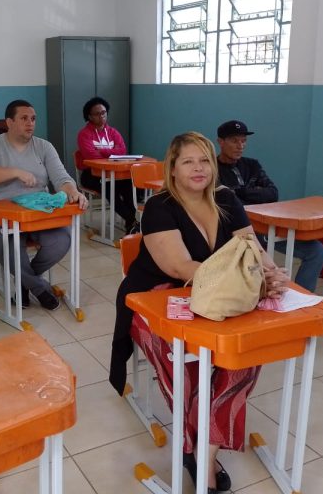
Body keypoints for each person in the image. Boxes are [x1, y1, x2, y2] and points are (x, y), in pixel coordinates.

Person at [110, 132, 289, 493]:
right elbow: (181, 267)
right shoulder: (159, 205)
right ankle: (200, 455)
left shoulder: (227, 198)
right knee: (186, 364)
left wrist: (271, 274)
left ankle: (202, 452)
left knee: (244, 355)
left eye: (205, 160)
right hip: (154, 297)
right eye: (188, 161)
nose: (198, 168)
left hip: (224, 297)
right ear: (173, 169)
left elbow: (252, 248)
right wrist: (249, 284)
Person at [0, 99, 88, 310]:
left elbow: (61, 178)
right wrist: (15, 172)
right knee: (8, 244)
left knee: (62, 239)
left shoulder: (44, 146)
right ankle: (40, 288)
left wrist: (73, 191)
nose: (30, 123)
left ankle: (25, 283)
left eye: (33, 118)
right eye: (24, 118)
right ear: (9, 122)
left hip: (37, 212)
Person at [216, 120, 323, 292]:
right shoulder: (212, 169)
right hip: (237, 232)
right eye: (234, 141)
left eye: (244, 141)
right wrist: (253, 193)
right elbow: (226, 203)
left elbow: (272, 193)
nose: (240, 146)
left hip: (266, 227)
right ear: (221, 142)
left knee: (317, 251)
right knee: (255, 263)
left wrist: (240, 191)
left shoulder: (252, 165)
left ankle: (302, 296)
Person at [76, 96, 138, 233]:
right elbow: (90, 155)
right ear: (89, 116)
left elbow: (122, 151)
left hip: (113, 173)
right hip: (91, 174)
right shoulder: (84, 134)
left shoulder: (113, 132)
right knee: (110, 187)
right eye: (97, 114)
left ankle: (131, 223)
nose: (101, 116)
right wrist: (112, 153)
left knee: (128, 183)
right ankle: (132, 221)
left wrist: (101, 151)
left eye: (104, 112)